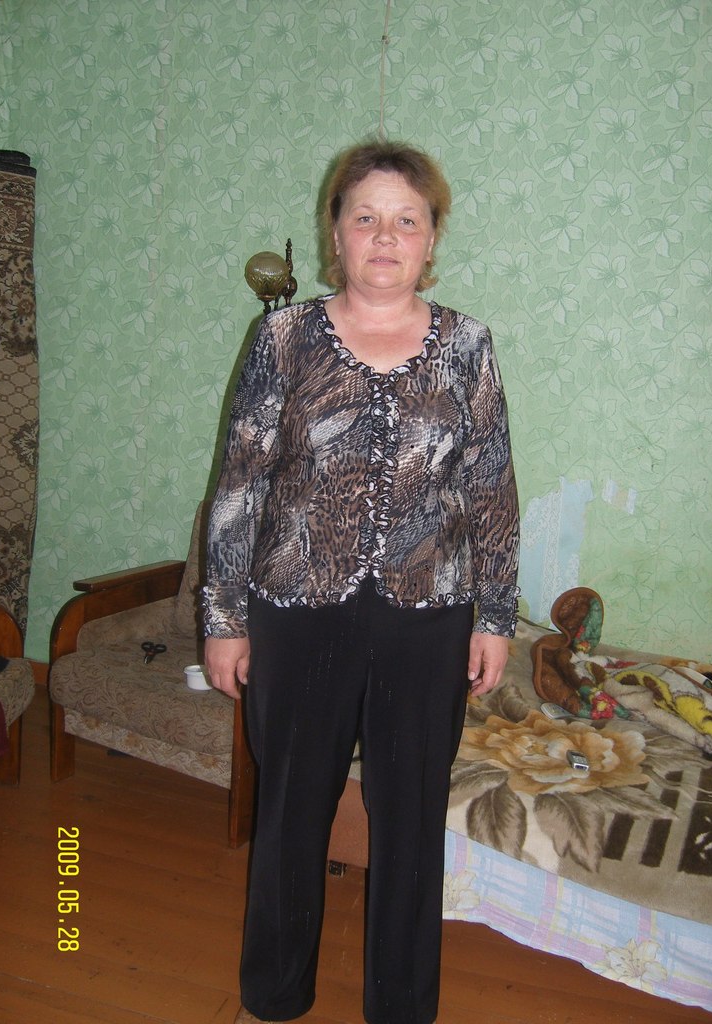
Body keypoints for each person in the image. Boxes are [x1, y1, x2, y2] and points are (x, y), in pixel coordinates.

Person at [203, 139, 520, 1024]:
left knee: (411, 817)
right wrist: (223, 618)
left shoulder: (469, 346)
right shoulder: (282, 339)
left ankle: (402, 1006)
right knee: (291, 809)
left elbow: (491, 487)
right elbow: (239, 486)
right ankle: (274, 994)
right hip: (297, 611)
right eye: (366, 218)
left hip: (429, 616)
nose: (385, 236)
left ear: (431, 238)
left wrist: (496, 615)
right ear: (336, 233)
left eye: (406, 220)